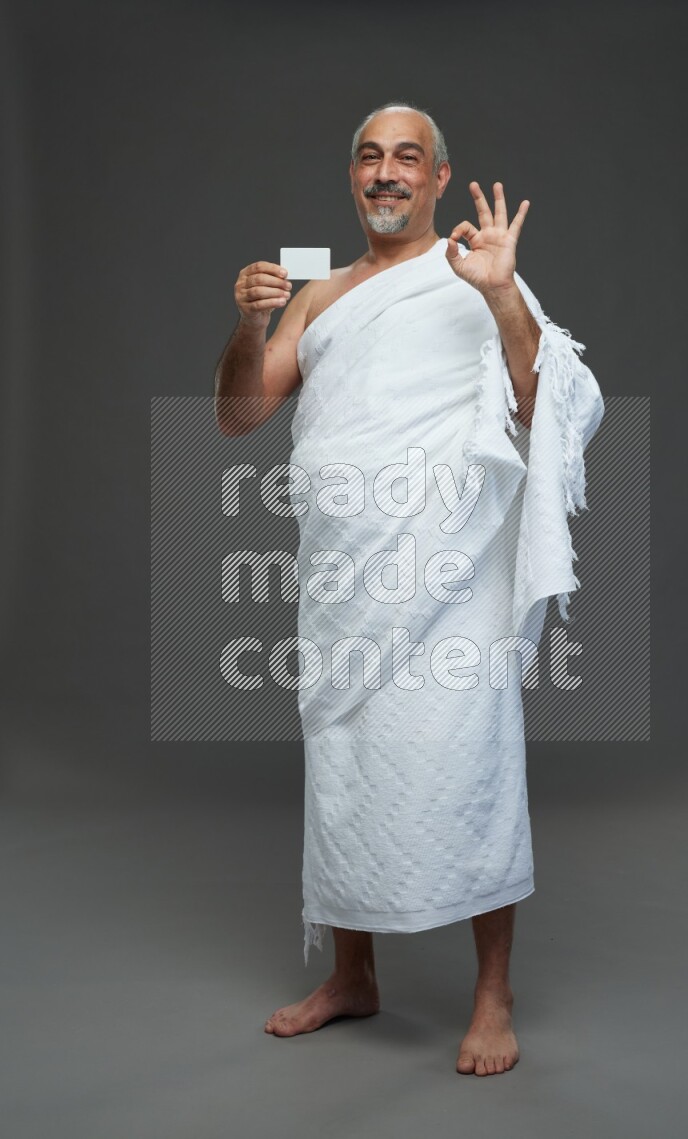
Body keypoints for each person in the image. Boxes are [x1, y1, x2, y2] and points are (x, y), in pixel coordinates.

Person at [214, 102, 604, 1077]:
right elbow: (239, 413)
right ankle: (352, 974)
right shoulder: (317, 293)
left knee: (465, 762)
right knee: (345, 771)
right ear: (352, 176)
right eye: (369, 156)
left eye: (407, 158)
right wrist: (250, 321)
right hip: (344, 576)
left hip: (447, 575)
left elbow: (536, 398)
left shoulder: (474, 272)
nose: (386, 172)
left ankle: (491, 991)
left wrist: (503, 293)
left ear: (436, 178)